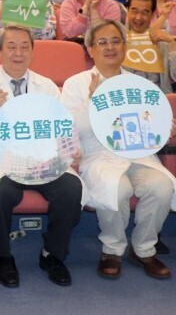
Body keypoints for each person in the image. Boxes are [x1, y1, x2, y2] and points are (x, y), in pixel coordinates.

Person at [0, 24, 83, 287]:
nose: (18, 53)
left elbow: (62, 126)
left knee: (71, 187)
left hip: (43, 159)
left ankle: (52, 254)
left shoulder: (47, 86)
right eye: (11, 46)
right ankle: (3, 255)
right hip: (1, 160)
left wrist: (70, 149)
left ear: (32, 51)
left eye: (24, 46)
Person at [61, 20, 176, 280]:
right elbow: (68, 130)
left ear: (125, 46)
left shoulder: (139, 84)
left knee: (161, 186)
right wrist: (93, 102)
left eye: (116, 41)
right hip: (98, 155)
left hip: (139, 155)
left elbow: (154, 120)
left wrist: (167, 127)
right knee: (117, 187)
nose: (110, 47)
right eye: (102, 42)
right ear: (89, 49)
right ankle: (112, 250)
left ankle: (144, 249)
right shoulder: (75, 84)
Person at [122, 0, 173, 93]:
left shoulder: (162, 43)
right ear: (127, 10)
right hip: (127, 100)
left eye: (145, 12)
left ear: (152, 14)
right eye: (134, 11)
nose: (138, 17)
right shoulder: (117, 41)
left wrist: (172, 43)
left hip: (160, 100)